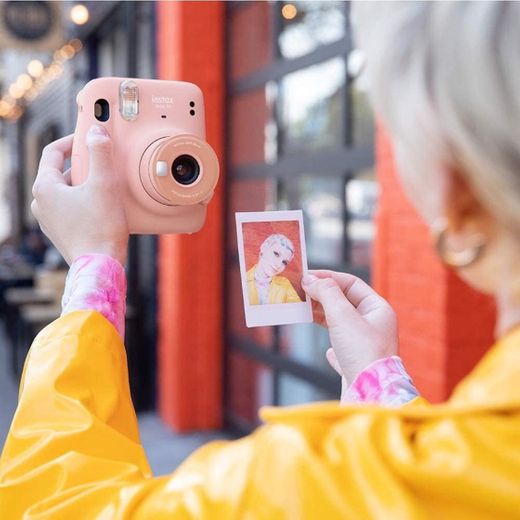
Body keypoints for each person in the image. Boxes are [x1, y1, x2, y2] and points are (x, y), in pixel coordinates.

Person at [0, 1, 519, 517]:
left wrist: (94, 265)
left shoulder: (315, 484)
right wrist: (377, 379)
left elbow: (56, 505)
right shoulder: (455, 465)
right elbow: (445, 469)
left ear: (458, 187)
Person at [247, 233, 302, 305]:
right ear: (263, 248)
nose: (279, 264)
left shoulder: (284, 284)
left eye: (284, 262)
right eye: (276, 254)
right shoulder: (242, 280)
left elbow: (297, 309)